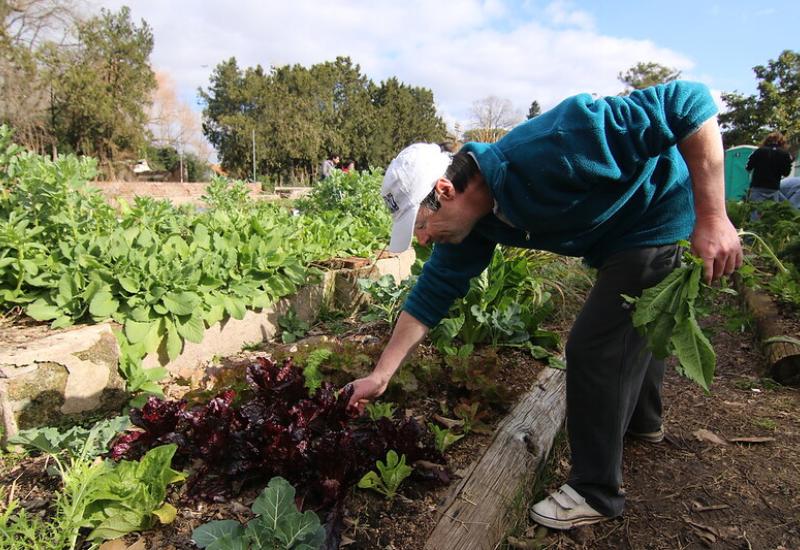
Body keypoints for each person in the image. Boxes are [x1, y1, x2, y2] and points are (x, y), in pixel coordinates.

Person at [346, 81, 743, 530]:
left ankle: (596, 492)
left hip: (658, 212)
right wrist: (381, 375)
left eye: (420, 224)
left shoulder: (558, 143)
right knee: (633, 322)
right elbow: (431, 293)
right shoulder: (473, 222)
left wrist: (714, 216)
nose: (421, 239)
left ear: (445, 189)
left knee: (594, 348)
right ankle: (643, 423)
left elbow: (689, 102)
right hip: (618, 233)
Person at [746, 132, 793, 203]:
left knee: (755, 208)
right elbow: (786, 173)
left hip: (757, 187)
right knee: (773, 209)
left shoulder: (759, 151)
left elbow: (748, 167)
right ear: (782, 142)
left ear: (766, 140)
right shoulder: (785, 154)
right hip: (773, 188)